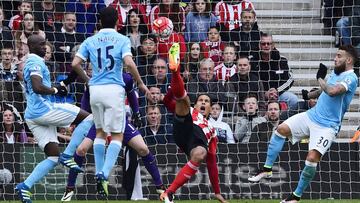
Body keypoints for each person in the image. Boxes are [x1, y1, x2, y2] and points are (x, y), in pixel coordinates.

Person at [248, 45, 358, 203]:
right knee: (280, 130)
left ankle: (296, 196)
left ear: (348, 60)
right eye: (335, 55)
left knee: (312, 158)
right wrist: (310, 94)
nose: (335, 58)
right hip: (311, 116)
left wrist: (319, 78)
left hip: (328, 126)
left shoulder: (351, 77)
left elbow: (333, 91)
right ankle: (267, 169)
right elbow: (325, 90)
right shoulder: (337, 72)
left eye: (339, 56)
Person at [71, 6, 150, 198]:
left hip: (95, 90)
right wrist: (140, 83)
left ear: (99, 21)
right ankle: (104, 173)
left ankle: (100, 170)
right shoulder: (122, 39)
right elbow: (129, 64)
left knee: (99, 132)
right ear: (117, 21)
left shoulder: (90, 40)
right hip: (114, 89)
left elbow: (75, 64)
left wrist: (88, 80)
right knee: (117, 136)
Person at [60, 72, 165, 201]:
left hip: (120, 120)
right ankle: (69, 190)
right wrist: (81, 121)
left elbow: (131, 93)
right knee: (81, 150)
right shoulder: (94, 79)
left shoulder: (125, 77)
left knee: (143, 149)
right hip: (99, 120)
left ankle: (161, 188)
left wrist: (136, 112)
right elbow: (86, 100)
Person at [14, 34, 94, 203]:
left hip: (32, 115)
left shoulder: (34, 61)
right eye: (42, 45)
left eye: (46, 45)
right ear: (33, 46)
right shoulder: (34, 61)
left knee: (52, 157)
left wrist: (57, 87)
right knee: (89, 119)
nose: (45, 47)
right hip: (42, 111)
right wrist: (55, 91)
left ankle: (25, 186)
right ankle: (68, 154)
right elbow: (36, 87)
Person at [159, 43, 227, 203]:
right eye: (201, 100)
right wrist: (173, 88)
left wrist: (217, 192)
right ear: (196, 105)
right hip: (184, 126)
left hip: (194, 142)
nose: (203, 103)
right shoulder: (191, 109)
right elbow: (167, 101)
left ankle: (168, 193)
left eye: (207, 101)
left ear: (211, 108)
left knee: (200, 154)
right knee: (183, 100)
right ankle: (175, 70)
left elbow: (212, 164)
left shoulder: (212, 131)